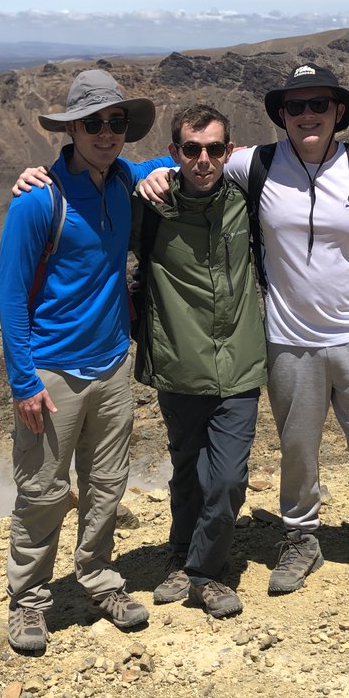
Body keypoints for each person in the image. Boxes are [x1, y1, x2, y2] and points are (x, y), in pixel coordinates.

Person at [138, 63, 349, 595]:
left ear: (338, 111)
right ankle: (300, 537)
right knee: (297, 450)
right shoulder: (257, 165)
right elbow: (198, 158)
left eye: (317, 105)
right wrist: (153, 171)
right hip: (288, 340)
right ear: (281, 116)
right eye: (295, 107)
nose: (306, 115)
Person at [0, 69, 173, 654]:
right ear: (71, 129)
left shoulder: (123, 178)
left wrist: (236, 155)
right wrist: (23, 380)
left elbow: (163, 168)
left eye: (115, 121)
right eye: (92, 122)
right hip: (50, 371)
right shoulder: (37, 199)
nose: (105, 131)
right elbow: (11, 295)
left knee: (105, 484)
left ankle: (98, 578)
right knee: (44, 490)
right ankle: (28, 600)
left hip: (112, 365)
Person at [132, 105, 266, 618]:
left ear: (229, 152)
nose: (203, 159)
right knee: (187, 469)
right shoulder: (151, 207)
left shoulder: (246, 202)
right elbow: (91, 203)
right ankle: (179, 553)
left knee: (228, 478)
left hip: (238, 363)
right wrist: (38, 178)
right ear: (175, 153)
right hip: (178, 362)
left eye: (214, 149)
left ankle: (204, 573)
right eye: (192, 149)